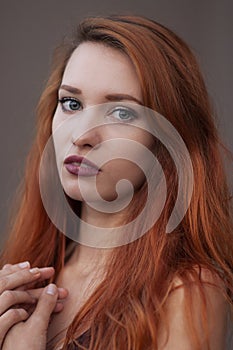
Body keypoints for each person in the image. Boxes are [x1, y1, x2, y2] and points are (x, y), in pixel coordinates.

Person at [0, 14, 232, 350]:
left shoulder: (185, 290)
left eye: (121, 113)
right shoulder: (24, 278)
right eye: (71, 104)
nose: (81, 135)